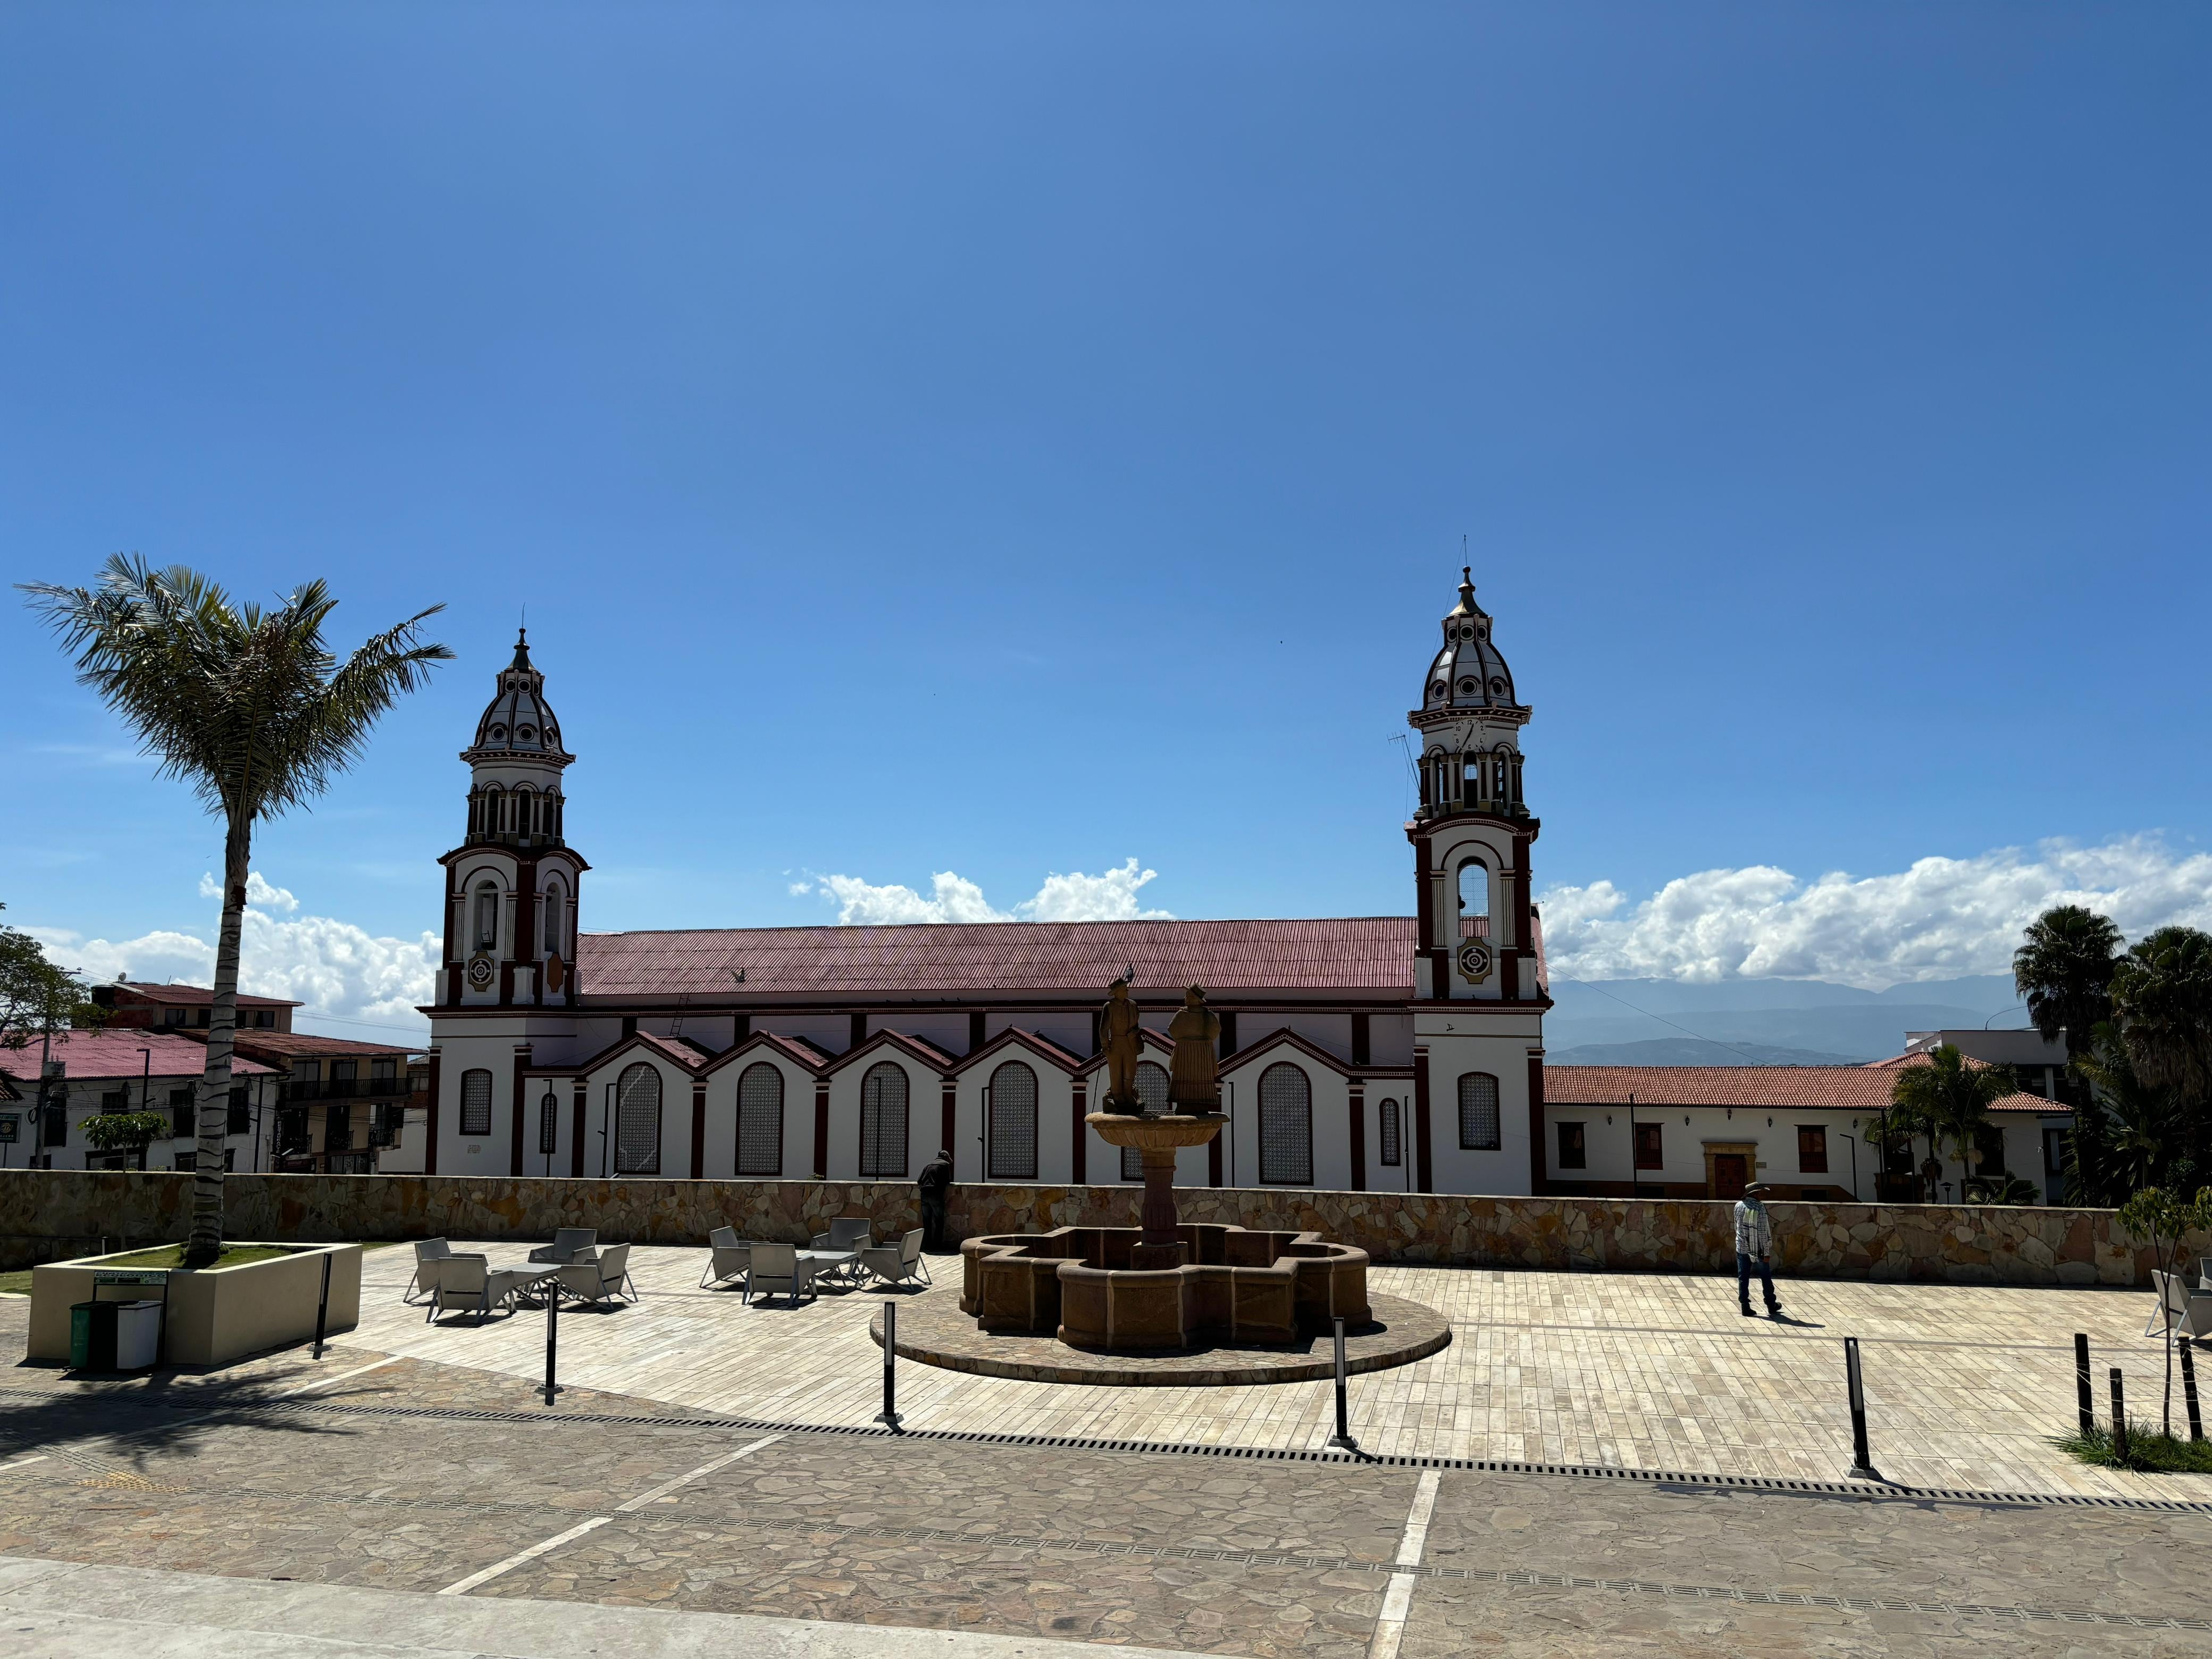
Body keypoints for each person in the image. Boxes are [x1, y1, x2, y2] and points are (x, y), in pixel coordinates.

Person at [1735, 1182, 1782, 1318]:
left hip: (1742, 1248)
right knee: (1766, 1277)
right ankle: (1771, 1304)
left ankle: (1745, 1306)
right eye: (1759, 1193)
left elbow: (1736, 1227)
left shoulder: (1738, 1206)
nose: (1761, 1195)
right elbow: (1762, 1232)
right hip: (1759, 1250)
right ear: (1754, 1194)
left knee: (1743, 1278)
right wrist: (1766, 1252)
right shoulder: (1759, 1208)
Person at [917, 1147, 953, 1253]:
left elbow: (919, 1180)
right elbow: (947, 1181)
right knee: (939, 1220)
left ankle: (927, 1245)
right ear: (946, 1158)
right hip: (935, 1194)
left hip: (924, 1194)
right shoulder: (945, 1165)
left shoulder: (928, 1165)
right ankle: (937, 1246)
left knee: (927, 1221)